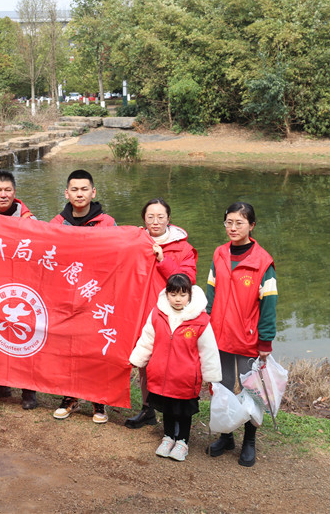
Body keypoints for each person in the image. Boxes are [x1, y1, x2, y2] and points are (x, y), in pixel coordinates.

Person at [206, 202, 277, 467]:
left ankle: (249, 441)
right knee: (221, 388)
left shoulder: (263, 262)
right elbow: (211, 293)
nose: (233, 228)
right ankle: (226, 437)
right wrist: (206, 326)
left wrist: (265, 341)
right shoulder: (219, 254)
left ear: (252, 225)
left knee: (252, 391)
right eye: (229, 222)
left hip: (248, 339)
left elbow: (269, 304)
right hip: (219, 335)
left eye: (239, 223)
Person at [129, 274, 221, 462]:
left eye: (182, 295)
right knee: (168, 409)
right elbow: (147, 339)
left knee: (184, 411)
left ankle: (182, 442)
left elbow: (208, 350)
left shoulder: (200, 320)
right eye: (173, 294)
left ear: (190, 295)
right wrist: (137, 359)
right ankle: (168, 437)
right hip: (162, 375)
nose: (178, 299)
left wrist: (212, 377)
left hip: (185, 377)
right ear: (167, 294)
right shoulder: (158, 314)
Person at [125, 198, 198, 430]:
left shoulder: (183, 248)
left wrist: (162, 260)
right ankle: (147, 409)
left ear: (169, 219)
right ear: (143, 219)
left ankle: (174, 415)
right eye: (150, 217)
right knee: (144, 363)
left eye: (160, 217)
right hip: (139, 311)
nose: (155, 221)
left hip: (170, 314)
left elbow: (187, 281)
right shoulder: (136, 242)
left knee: (172, 364)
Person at [49, 169, 115, 424]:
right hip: (66, 296)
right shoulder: (56, 224)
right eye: (74, 189)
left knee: (96, 349)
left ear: (93, 192)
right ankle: (70, 397)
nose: (79, 194)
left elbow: (120, 254)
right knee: (68, 348)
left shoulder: (107, 223)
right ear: (66, 193)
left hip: (97, 294)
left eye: (84, 189)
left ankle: (98, 400)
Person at [0, 170, 39, 410]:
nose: (3, 195)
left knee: (25, 338)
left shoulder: (30, 220)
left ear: (15, 192)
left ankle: (28, 390)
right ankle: (0, 385)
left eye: (7, 190)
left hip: (22, 287)